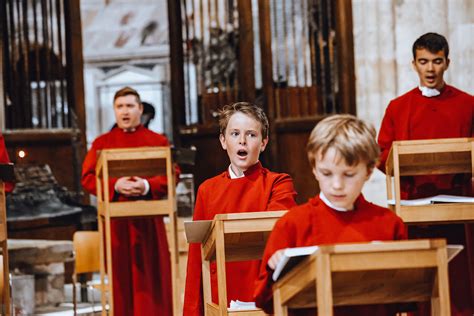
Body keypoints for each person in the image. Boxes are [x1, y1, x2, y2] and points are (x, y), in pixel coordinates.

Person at [254, 114, 407, 315]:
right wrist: (276, 270)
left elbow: (407, 297)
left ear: (369, 171)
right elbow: (265, 301)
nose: (337, 185)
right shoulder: (292, 224)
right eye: (327, 173)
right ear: (315, 169)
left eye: (349, 174)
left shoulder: (389, 224)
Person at [378, 33, 473, 316]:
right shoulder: (398, 107)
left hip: (459, 206)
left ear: (447, 63)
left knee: (460, 283)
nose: (430, 69)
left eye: (436, 61)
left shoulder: (468, 105)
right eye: (423, 62)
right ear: (413, 64)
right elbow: (383, 154)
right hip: (415, 206)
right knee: (421, 282)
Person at [183, 102, 297, 315]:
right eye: (234, 133)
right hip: (221, 295)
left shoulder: (278, 183)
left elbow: (280, 233)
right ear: (223, 141)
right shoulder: (207, 190)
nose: (242, 140)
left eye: (251, 135)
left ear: (263, 143)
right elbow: (196, 258)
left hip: (261, 291)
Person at [81, 86, 178, 316]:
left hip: (149, 221)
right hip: (117, 225)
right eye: (120, 106)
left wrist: (146, 185)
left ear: (140, 109)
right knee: (121, 283)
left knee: (153, 280)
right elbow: (87, 177)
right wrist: (115, 185)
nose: (125, 111)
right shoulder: (102, 143)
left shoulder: (157, 140)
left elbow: (172, 173)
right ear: (114, 110)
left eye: (130, 106)